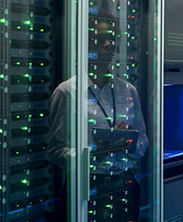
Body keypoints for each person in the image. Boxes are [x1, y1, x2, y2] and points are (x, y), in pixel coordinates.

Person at [47, 12, 149, 221]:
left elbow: (143, 140)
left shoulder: (128, 90)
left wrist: (130, 141)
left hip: (125, 185)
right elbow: (55, 151)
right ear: (86, 44)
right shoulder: (68, 91)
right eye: (101, 38)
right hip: (87, 186)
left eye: (112, 38)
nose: (108, 44)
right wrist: (94, 152)